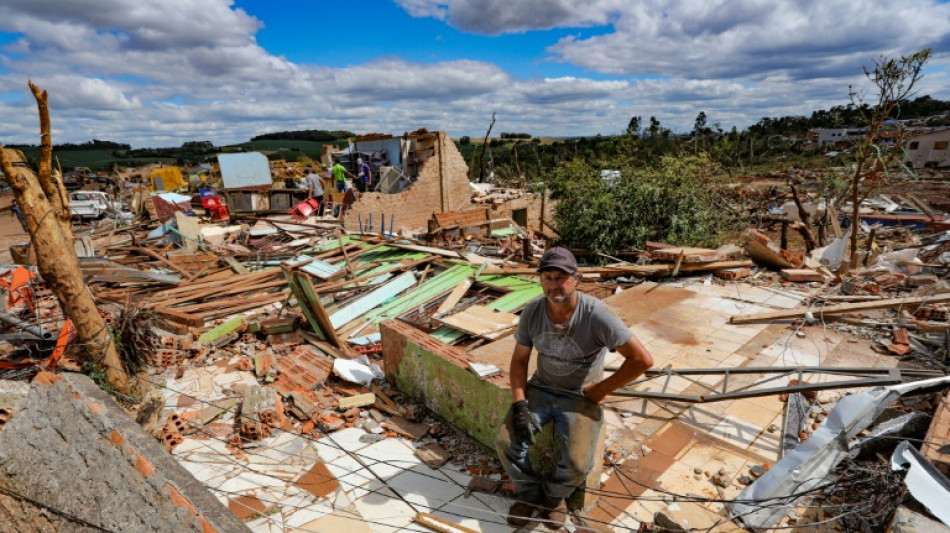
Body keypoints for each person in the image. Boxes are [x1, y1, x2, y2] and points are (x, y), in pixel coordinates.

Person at [495, 247, 654, 530]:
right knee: (506, 443)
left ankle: (554, 498)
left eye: (561, 278)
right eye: (548, 278)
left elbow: (642, 360)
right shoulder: (533, 311)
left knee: (578, 463)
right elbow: (519, 360)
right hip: (541, 388)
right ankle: (529, 494)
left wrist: (600, 390)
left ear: (576, 279)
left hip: (580, 395)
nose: (554, 285)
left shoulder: (596, 315)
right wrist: (520, 404)